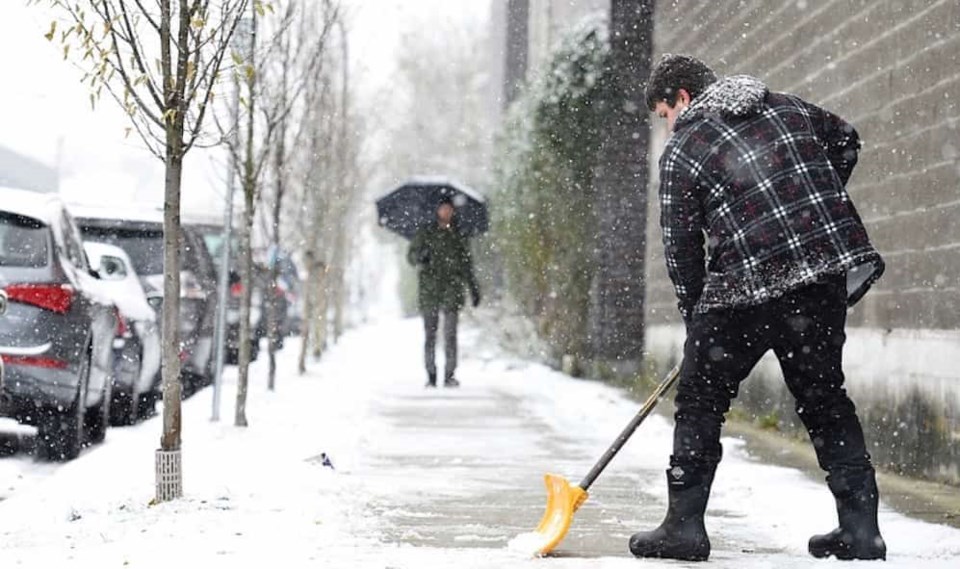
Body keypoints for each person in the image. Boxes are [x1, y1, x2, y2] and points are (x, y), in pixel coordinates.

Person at [630, 54, 887, 561]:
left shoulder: (684, 149)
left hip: (742, 291)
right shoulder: (789, 109)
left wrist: (695, 317)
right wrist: (805, 201)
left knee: (701, 402)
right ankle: (861, 529)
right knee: (825, 400)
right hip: (819, 277)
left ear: (681, 98)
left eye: (663, 114)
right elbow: (846, 138)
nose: (667, 127)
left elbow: (681, 247)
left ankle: (684, 528)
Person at [407, 196, 481, 388]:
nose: (446, 212)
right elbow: (411, 256)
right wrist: (421, 257)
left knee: (450, 335)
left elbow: (467, 265)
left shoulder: (459, 235)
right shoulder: (425, 233)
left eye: (449, 209)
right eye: (443, 208)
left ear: (453, 211)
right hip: (429, 290)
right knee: (430, 335)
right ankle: (431, 374)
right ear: (437, 210)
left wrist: (473, 288)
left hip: (452, 290)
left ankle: (449, 374)